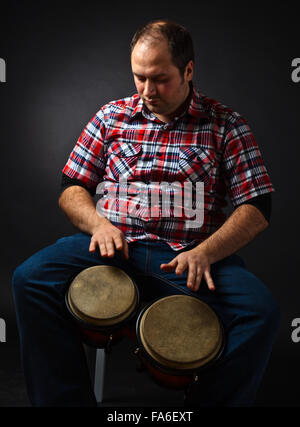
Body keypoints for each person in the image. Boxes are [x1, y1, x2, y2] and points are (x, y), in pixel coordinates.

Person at [12, 19, 280, 407]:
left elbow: (257, 206)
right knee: (30, 279)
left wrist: (206, 252)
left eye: (160, 79)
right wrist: (98, 225)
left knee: (261, 312)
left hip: (189, 257)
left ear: (188, 70)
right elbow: (71, 187)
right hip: (115, 248)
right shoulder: (111, 117)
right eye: (139, 77)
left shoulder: (226, 126)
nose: (147, 91)